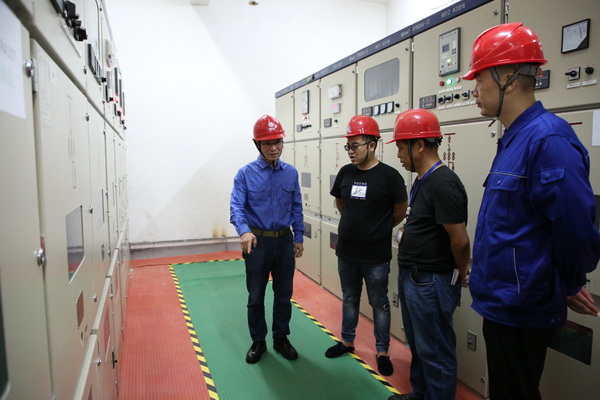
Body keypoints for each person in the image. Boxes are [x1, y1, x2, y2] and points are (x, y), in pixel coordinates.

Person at [462, 23, 600, 399]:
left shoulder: (548, 138)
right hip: (503, 301)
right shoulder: (515, 137)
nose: (474, 90)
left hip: (522, 305)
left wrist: (569, 282)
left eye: (479, 78)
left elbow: (574, 225)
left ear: (507, 77)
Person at [386, 109, 470, 400]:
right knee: (420, 346)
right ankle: (420, 393)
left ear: (419, 145)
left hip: (431, 281)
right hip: (413, 277)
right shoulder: (423, 180)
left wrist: (461, 273)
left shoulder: (444, 183)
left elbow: (460, 240)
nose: (398, 154)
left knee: (435, 352)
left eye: (401, 147)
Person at [326, 115, 408, 376]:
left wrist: (378, 228)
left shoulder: (390, 176)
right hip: (347, 252)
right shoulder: (345, 173)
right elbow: (340, 203)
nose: (350, 151)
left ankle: (382, 351)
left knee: (379, 303)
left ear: (372, 145)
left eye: (355, 146)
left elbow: (400, 211)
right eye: (348, 146)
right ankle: (347, 341)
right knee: (350, 298)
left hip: (376, 256)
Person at [230, 114, 304, 364]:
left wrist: (299, 236)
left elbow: (297, 206)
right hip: (257, 243)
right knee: (255, 296)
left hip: (284, 242)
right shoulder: (245, 174)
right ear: (258, 145)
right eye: (267, 143)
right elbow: (236, 207)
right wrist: (244, 230)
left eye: (277, 142)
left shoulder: (290, 173)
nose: (273, 148)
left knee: (284, 295)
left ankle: (281, 338)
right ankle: (258, 341)